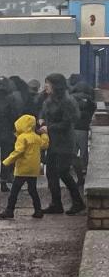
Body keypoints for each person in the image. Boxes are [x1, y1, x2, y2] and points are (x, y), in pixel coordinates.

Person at [40, 73, 85, 214]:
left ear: (55, 85)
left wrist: (49, 127)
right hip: (52, 142)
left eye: (48, 83)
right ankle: (56, 203)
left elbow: (68, 122)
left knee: (63, 171)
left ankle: (78, 202)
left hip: (65, 142)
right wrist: (41, 120)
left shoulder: (67, 101)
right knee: (51, 173)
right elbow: (43, 112)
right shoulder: (48, 100)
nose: (45, 86)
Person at [0, 114, 49, 220]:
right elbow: (44, 145)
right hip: (33, 169)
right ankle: (38, 210)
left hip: (22, 169)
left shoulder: (22, 138)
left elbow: (18, 152)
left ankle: (9, 210)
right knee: (33, 190)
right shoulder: (36, 137)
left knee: (14, 191)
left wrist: (7, 161)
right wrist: (44, 134)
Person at [70, 77, 96, 186]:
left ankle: (73, 166)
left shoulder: (71, 98)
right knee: (84, 149)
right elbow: (93, 108)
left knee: (73, 150)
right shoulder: (89, 99)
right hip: (83, 128)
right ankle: (84, 167)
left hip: (72, 128)